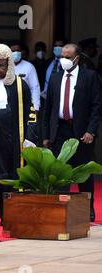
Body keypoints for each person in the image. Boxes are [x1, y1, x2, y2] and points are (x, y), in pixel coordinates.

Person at [0, 43, 37, 223]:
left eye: (0, 65)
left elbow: (31, 114)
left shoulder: (20, 86)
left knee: (7, 176)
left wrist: (30, 138)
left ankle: (5, 212)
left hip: (11, 140)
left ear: (8, 65)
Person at [43, 43, 102, 223]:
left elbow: (96, 106)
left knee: (84, 171)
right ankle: (62, 209)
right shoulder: (55, 78)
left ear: (77, 58)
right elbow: (49, 109)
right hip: (60, 130)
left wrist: (91, 131)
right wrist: (46, 135)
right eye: (62, 56)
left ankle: (87, 208)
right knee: (60, 172)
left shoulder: (89, 77)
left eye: (68, 57)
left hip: (81, 131)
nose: (64, 60)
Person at [11, 41, 41, 113]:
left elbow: (34, 87)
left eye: (17, 50)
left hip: (25, 105)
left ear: (21, 52)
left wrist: (35, 107)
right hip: (8, 105)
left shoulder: (29, 66)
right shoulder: (4, 66)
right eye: (13, 51)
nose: (15, 53)